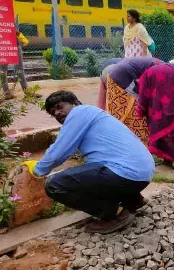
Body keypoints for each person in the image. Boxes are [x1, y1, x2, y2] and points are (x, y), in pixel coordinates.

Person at [22, 91, 155, 234]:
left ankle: (115, 214)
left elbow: (58, 153)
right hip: (142, 174)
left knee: (55, 185)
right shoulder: (93, 114)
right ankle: (133, 200)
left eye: (60, 107)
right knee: (88, 172)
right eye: (53, 112)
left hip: (126, 174)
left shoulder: (79, 112)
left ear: (75, 103)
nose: (57, 113)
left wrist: (37, 169)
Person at [137, 63, 174, 169]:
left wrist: (142, 108)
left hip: (153, 89)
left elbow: (144, 93)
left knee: (160, 120)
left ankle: (167, 158)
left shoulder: (151, 68)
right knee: (172, 125)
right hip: (167, 80)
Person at [102, 57, 162, 144]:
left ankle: (115, 139)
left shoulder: (162, 66)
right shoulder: (164, 71)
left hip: (114, 73)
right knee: (136, 113)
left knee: (117, 111)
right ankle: (140, 143)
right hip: (121, 76)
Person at [1, 31, 30, 100]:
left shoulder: (10, 20)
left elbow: (13, 30)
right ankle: (7, 93)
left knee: (5, 70)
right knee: (3, 70)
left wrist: (21, 36)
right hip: (4, 46)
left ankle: (27, 92)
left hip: (14, 45)